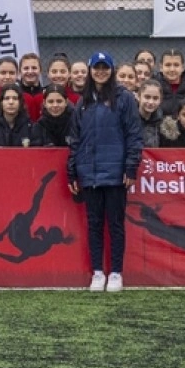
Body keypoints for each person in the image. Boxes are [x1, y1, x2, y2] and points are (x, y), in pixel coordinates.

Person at [68, 51, 143, 293]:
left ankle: (116, 273)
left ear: (111, 70)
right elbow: (75, 139)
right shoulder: (83, 101)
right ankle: (98, 272)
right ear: (90, 70)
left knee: (116, 224)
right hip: (89, 173)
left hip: (115, 173)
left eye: (105, 67)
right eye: (97, 67)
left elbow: (134, 135)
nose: (101, 71)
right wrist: (72, 170)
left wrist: (131, 167)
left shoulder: (124, 98)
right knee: (94, 224)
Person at [135, 80, 164, 149]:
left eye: (155, 98)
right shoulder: (128, 120)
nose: (151, 102)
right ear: (138, 97)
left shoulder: (162, 125)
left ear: (160, 100)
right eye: (147, 97)